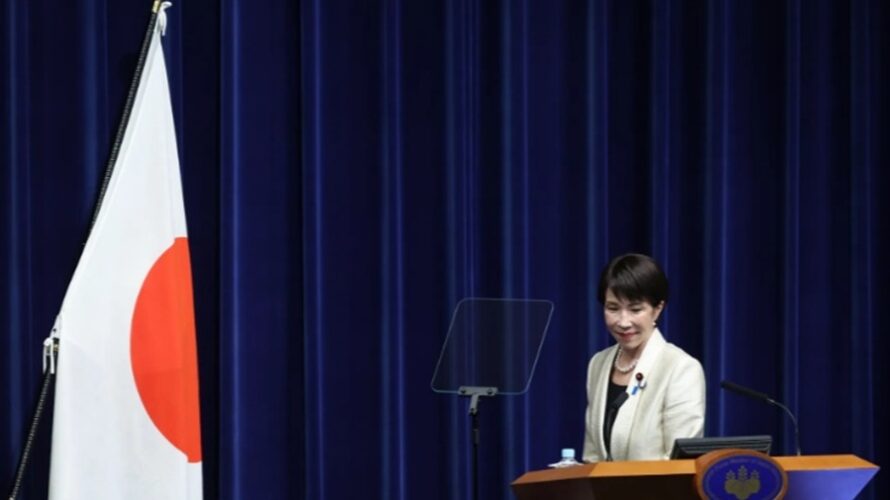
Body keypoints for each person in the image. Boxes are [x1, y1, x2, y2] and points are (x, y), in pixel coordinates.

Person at [582, 253, 705, 462]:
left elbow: (679, 462)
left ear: (657, 309)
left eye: (635, 309)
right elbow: (592, 456)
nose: (623, 322)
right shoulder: (598, 364)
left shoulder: (681, 368)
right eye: (613, 308)